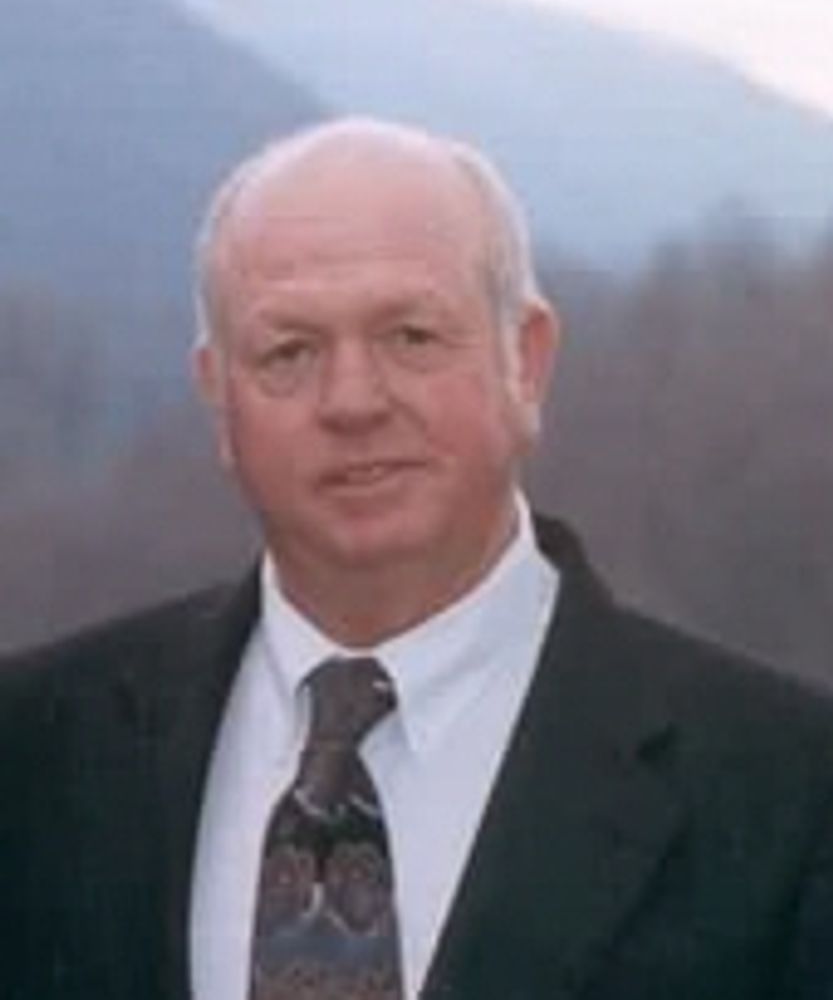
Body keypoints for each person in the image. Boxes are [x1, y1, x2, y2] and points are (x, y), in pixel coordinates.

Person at [2, 117, 833, 1000]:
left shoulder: (789, 788)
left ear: (526, 361)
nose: (352, 401)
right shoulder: (32, 754)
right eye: (289, 352)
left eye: (411, 337)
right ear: (219, 397)